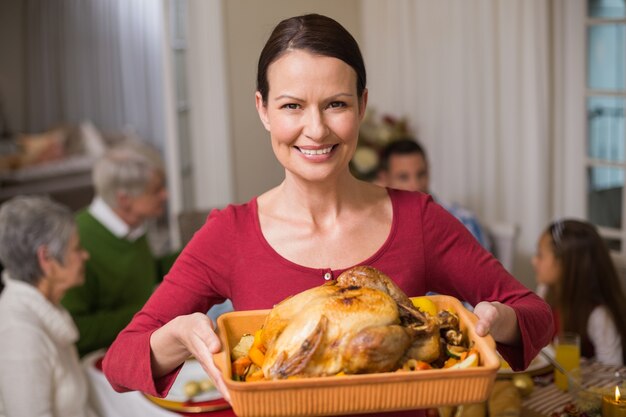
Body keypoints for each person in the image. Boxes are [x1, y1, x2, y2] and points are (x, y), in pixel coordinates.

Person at [103, 13, 553, 416]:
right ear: (262, 109)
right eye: (291, 106)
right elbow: (119, 363)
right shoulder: (229, 234)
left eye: (336, 103)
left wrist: (499, 318)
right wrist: (176, 338)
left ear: (361, 105)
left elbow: (535, 313)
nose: (315, 129)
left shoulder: (419, 219)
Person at [61, 140, 178, 357]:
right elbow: (76, 330)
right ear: (124, 199)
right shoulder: (76, 243)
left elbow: (143, 273)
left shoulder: (133, 225)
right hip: (101, 360)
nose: (165, 195)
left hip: (140, 341)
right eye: (156, 190)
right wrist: (150, 312)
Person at [0, 196, 97, 417]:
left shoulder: (46, 309)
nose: (85, 255)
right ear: (46, 258)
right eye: (76, 248)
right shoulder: (21, 335)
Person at [532, 219, 626, 365]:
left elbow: (612, 370)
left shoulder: (599, 316)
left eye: (540, 255)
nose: (534, 261)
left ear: (564, 263)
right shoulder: (545, 290)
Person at [377, 138, 492, 250]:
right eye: (403, 177)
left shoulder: (462, 221)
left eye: (421, 174)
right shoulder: (376, 225)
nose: (415, 185)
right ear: (384, 178)